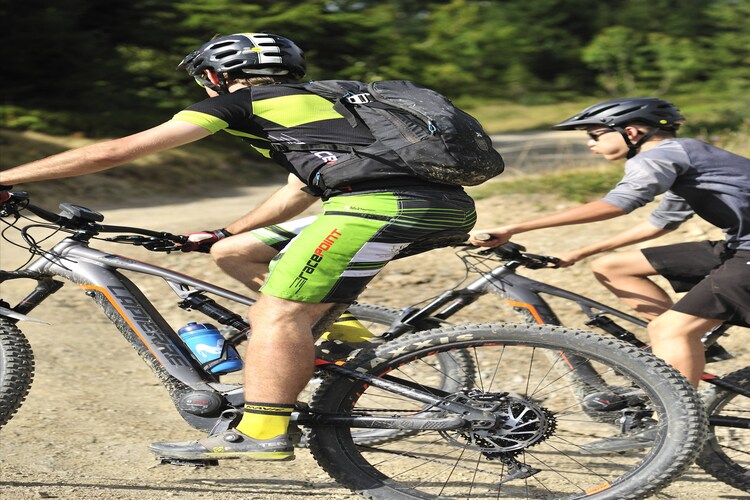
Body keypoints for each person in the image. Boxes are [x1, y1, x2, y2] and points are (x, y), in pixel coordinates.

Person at [0, 32, 477, 461]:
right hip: (442, 205)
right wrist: (225, 233)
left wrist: (6, 177)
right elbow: (299, 190)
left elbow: (115, 151)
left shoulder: (241, 102)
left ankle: (262, 431)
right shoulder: (326, 99)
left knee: (277, 314)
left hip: (377, 207)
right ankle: (341, 339)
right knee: (236, 253)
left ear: (215, 76)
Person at [470, 97, 749, 389]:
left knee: (669, 330)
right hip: (738, 246)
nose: (591, 143)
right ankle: (691, 340)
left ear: (631, 132)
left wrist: (514, 227)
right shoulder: (689, 158)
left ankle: (679, 403)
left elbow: (617, 204)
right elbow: (660, 223)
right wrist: (579, 253)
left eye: (596, 135)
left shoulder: (658, 155)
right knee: (612, 267)